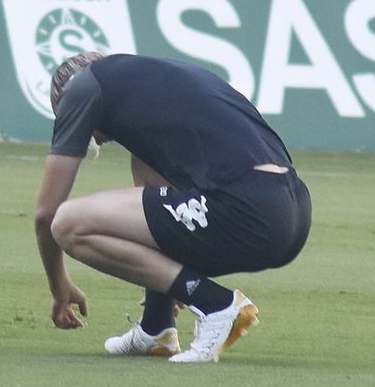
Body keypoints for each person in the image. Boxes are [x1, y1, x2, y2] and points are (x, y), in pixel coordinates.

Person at [35, 51, 312, 363]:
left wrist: (59, 286)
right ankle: (157, 327)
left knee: (69, 224)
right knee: (146, 174)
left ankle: (216, 305)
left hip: (247, 209)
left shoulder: (80, 89)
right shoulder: (153, 82)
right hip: (293, 212)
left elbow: (47, 214)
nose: (95, 140)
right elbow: (156, 215)